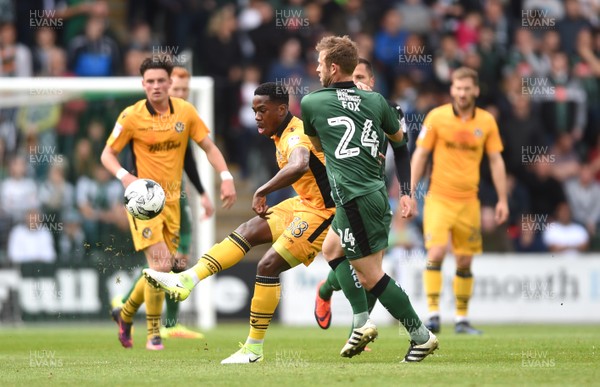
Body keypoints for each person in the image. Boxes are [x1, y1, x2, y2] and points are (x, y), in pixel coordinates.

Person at [144, 82, 341, 363]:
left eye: (262, 110)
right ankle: (188, 279)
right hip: (304, 204)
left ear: (282, 109)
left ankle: (253, 349)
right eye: (253, 111)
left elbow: (299, 164)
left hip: (325, 213)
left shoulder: (296, 134)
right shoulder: (281, 133)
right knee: (247, 230)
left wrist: (262, 190)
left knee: (268, 265)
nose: (257, 116)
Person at [301, 35, 437, 363]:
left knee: (370, 276)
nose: (317, 68)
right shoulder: (377, 103)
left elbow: (318, 147)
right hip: (371, 195)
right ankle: (361, 322)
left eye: (320, 63)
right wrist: (405, 191)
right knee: (332, 249)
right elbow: (401, 143)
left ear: (333, 68)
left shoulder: (312, 103)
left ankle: (420, 335)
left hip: (356, 198)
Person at [100, 58, 236, 351]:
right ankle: (153, 335)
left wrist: (225, 176)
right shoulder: (131, 116)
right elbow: (107, 154)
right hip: (143, 200)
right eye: (150, 81)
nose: (156, 86)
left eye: (161, 81)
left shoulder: (185, 112)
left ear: (169, 83)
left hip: (172, 203)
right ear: (143, 84)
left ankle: (124, 314)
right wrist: (125, 177)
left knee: (163, 267)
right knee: (161, 264)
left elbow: (209, 147)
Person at [314, 58, 412, 332]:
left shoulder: (389, 108)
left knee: (368, 267)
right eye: (352, 76)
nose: (356, 82)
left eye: (361, 77)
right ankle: (338, 303)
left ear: (372, 82)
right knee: (339, 253)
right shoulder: (334, 106)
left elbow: (402, 150)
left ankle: (349, 317)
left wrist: (406, 192)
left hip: (374, 195)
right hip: (348, 194)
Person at [410, 66, 509, 335]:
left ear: (475, 90)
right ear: (451, 89)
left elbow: (496, 160)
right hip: (439, 198)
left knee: (465, 259)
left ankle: (462, 320)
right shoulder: (436, 117)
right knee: (436, 252)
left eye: (467, 88)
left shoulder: (486, 122)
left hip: (469, 201)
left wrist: (502, 199)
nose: (462, 93)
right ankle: (432, 315)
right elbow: (420, 154)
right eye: (458, 88)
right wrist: (410, 191)